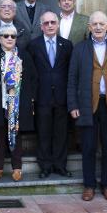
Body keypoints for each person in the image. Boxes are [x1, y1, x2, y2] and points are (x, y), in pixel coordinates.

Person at [67, 11, 107, 202]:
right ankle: (89, 186)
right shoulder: (80, 49)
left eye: (102, 24)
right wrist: (73, 104)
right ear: (89, 27)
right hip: (87, 104)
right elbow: (72, 79)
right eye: (95, 24)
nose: (98, 27)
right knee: (88, 147)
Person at [0, 24, 37, 182]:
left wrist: (31, 98)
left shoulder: (24, 56)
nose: (9, 39)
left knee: (16, 136)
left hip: (18, 103)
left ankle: (17, 168)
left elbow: (34, 78)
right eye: (5, 36)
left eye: (13, 36)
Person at [27, 11, 73, 179]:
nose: (50, 25)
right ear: (41, 26)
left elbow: (70, 72)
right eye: (46, 23)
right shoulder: (33, 45)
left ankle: (60, 166)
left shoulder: (67, 45)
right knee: (44, 133)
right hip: (42, 96)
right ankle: (45, 166)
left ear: (58, 24)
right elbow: (30, 72)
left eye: (53, 22)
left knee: (61, 133)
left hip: (62, 97)